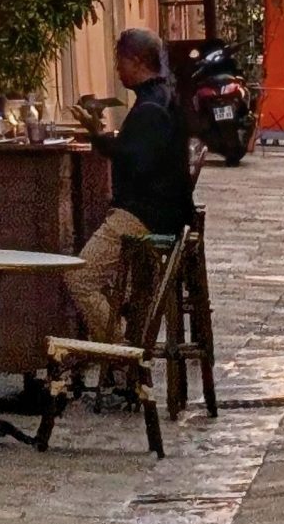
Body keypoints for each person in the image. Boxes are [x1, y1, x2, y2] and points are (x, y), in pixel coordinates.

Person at [67, 29, 195, 341]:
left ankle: (122, 350)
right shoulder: (162, 98)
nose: (117, 70)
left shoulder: (151, 109)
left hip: (143, 215)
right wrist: (99, 134)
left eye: (119, 62)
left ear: (136, 61)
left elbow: (134, 160)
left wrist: (98, 137)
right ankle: (128, 342)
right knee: (115, 286)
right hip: (163, 212)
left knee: (79, 277)